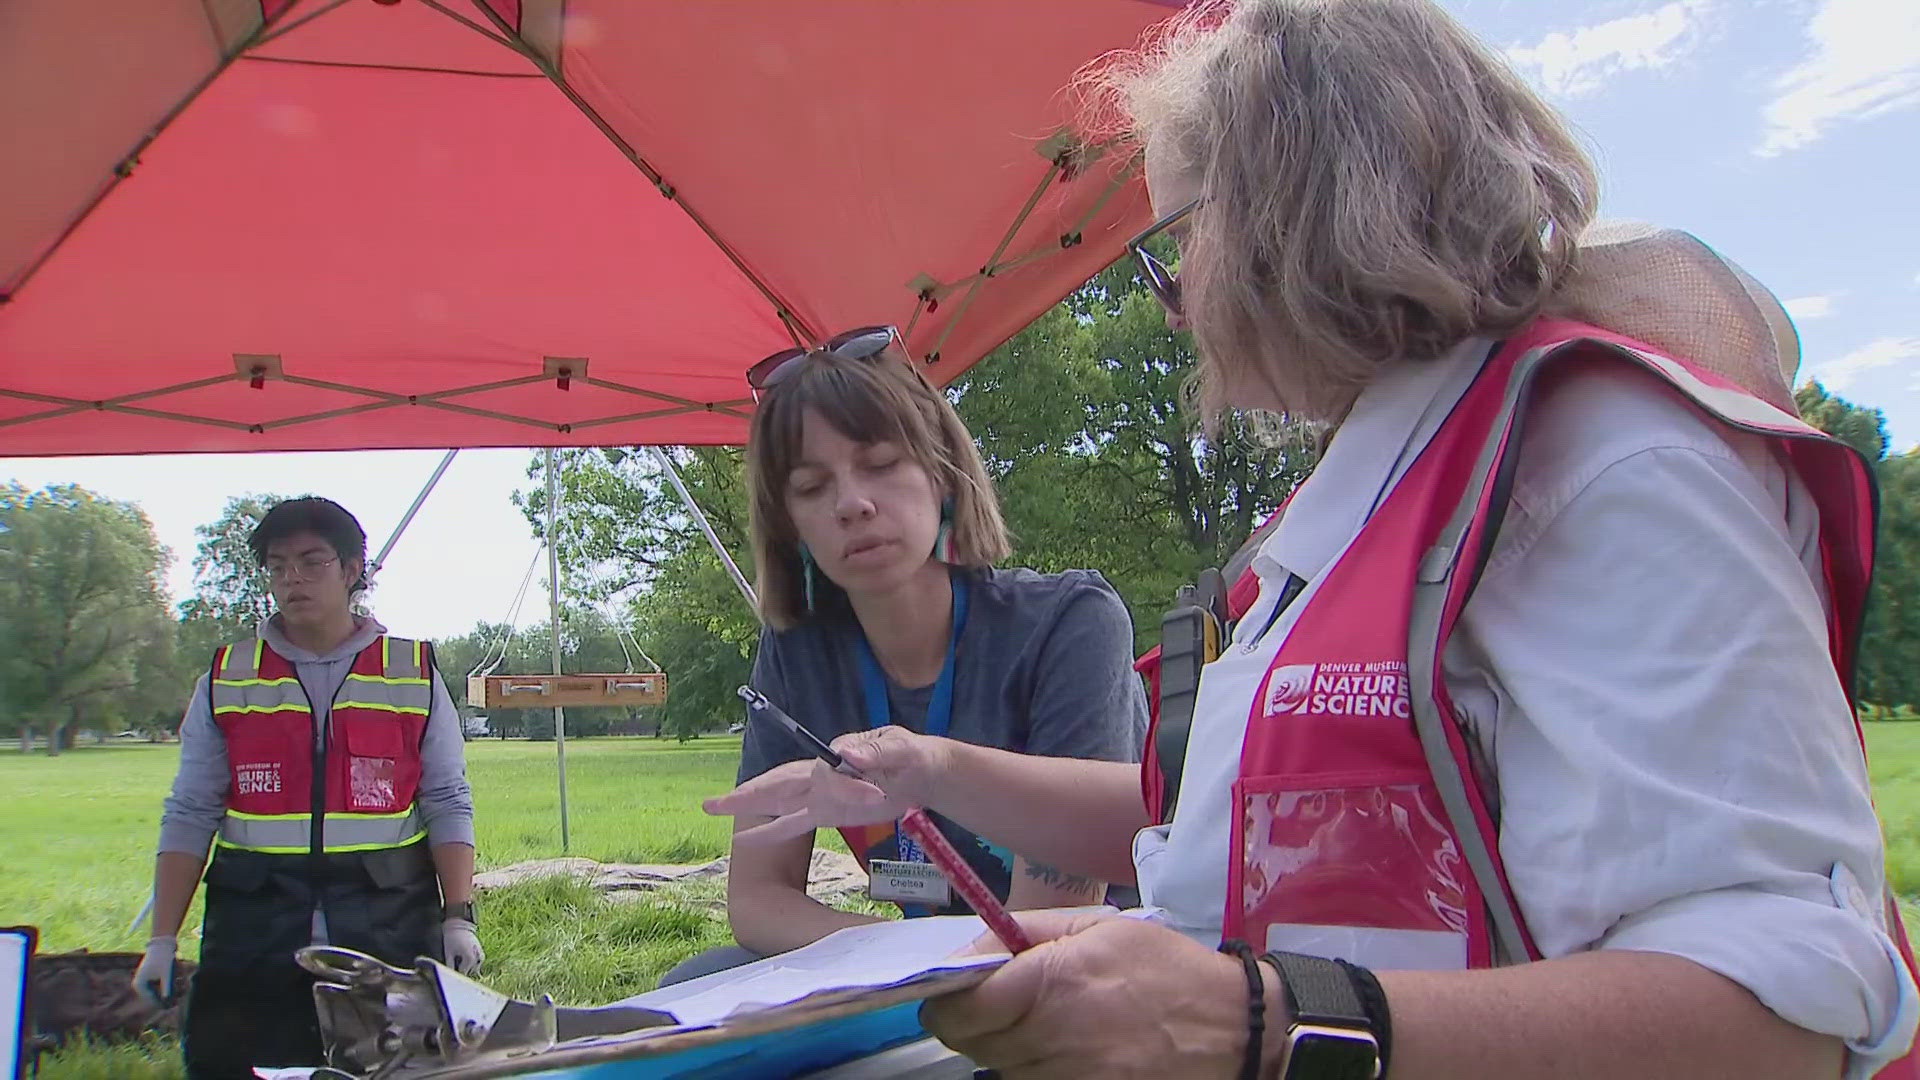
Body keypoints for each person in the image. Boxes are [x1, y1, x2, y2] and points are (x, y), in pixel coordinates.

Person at [705, 2, 1920, 1077]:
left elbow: (1788, 1012)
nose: (1174, 297)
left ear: (1297, 214)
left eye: (1175, 240)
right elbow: (1222, 838)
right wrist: (946, 782)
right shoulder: (1368, 497)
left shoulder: (1602, 459)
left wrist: (1263, 1025)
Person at [667, 326, 1150, 986]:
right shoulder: (797, 652)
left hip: (1093, 969)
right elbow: (757, 901)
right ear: (790, 524)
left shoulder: (1070, 621)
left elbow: (1054, 917)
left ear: (942, 475)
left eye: (882, 464)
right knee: (697, 981)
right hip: (937, 968)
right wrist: (902, 956)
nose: (852, 504)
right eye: (811, 487)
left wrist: (919, 961)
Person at [133, 497, 482, 1079]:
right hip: (255, 930)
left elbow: (447, 799)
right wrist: (162, 939)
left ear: (351, 571)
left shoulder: (411, 672)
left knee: (399, 1070)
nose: (291, 578)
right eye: (277, 566)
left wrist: (458, 917)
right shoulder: (228, 678)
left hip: (386, 925)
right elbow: (190, 811)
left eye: (311, 561)